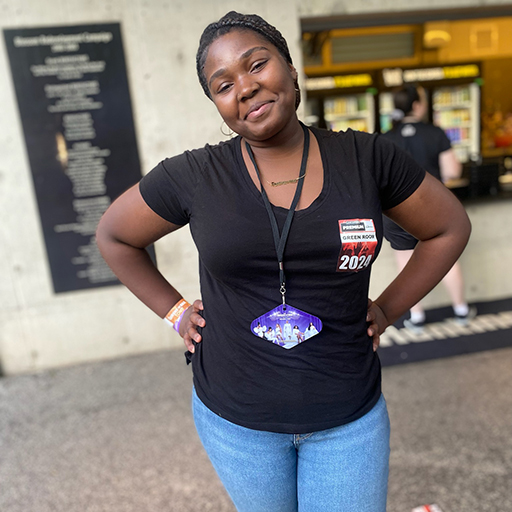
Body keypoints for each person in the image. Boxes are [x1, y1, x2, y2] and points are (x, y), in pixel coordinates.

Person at [96, 12, 471, 512]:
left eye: (257, 65)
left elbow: (449, 228)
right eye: (223, 85)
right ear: (217, 105)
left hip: (347, 418)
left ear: (291, 69)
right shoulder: (195, 175)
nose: (245, 88)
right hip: (236, 418)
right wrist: (176, 311)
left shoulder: (366, 159)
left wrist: (388, 308)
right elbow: (115, 236)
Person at [384, 85, 477, 333]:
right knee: (445, 259)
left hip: (395, 212)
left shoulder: (385, 137)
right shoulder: (434, 133)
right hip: (431, 208)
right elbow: (452, 171)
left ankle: (417, 318)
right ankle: (461, 311)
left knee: (406, 264)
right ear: (416, 105)